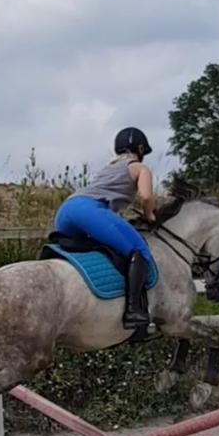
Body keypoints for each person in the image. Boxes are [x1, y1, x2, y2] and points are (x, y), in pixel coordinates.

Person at [53, 126, 156, 328]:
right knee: (139, 251)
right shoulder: (139, 168)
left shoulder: (108, 168)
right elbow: (146, 196)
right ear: (141, 149)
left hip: (66, 211)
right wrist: (149, 214)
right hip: (89, 210)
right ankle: (134, 310)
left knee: (104, 249)